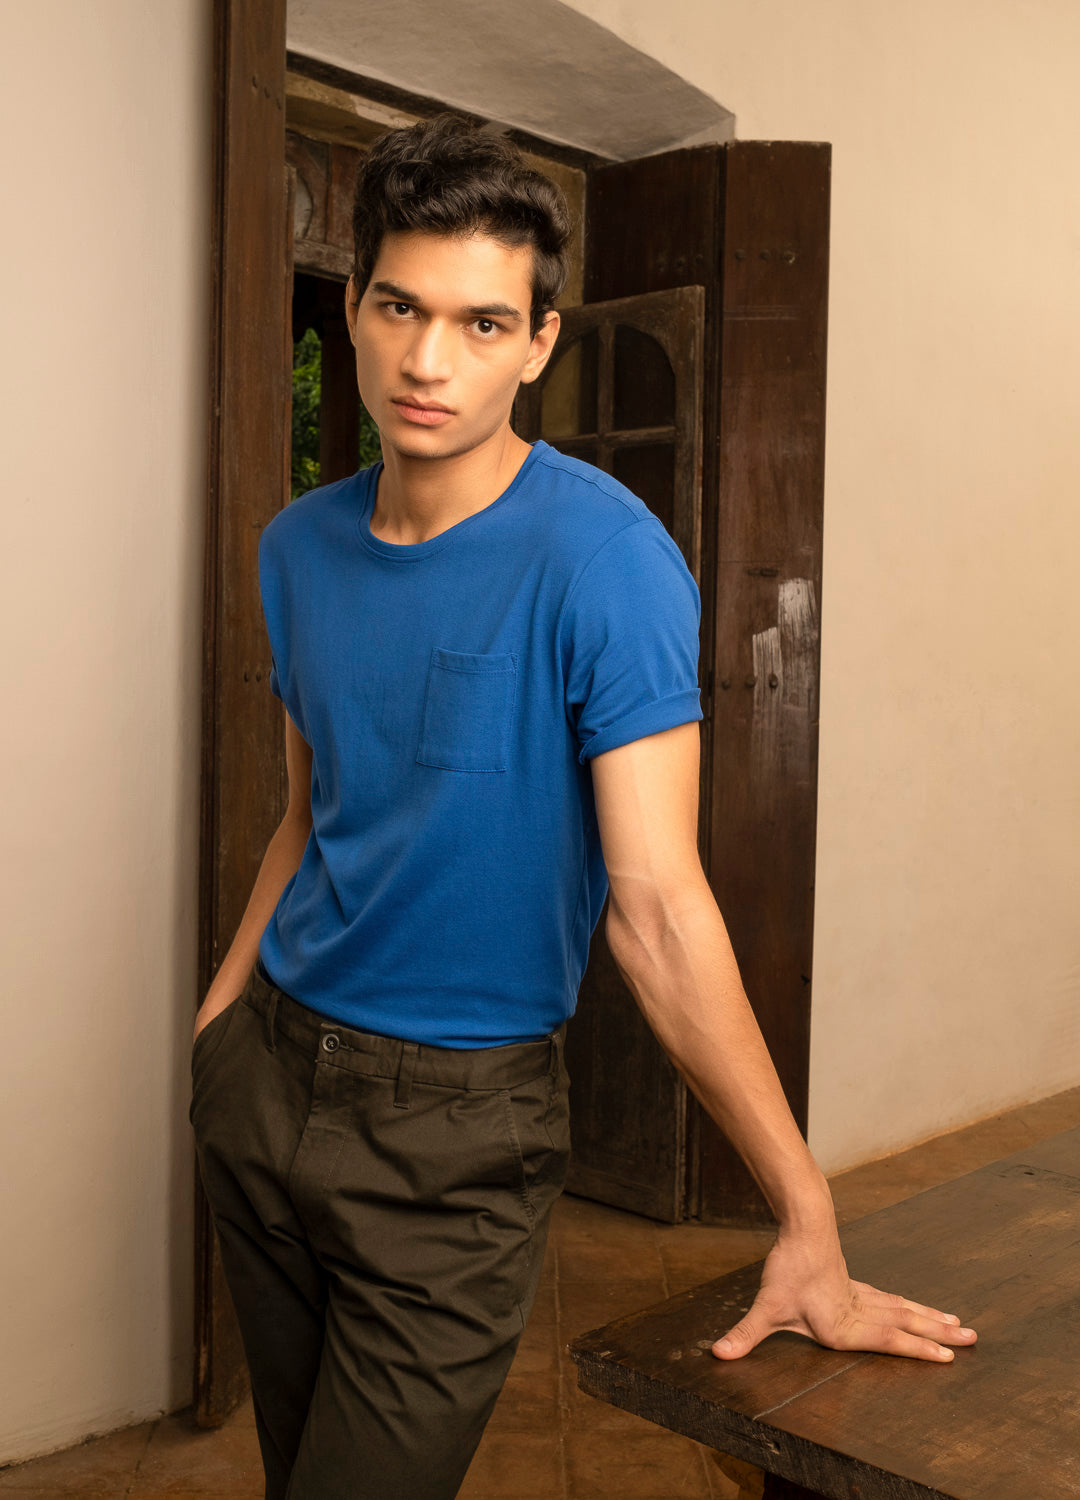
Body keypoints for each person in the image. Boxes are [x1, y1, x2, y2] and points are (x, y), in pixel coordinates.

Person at [189, 113, 977, 1500]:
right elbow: (306, 814)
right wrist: (219, 1027)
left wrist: (805, 1213)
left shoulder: (606, 558)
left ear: (539, 344)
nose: (429, 360)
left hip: (456, 1125)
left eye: (483, 323)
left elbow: (658, 907)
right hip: (266, 1081)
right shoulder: (296, 546)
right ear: (356, 305)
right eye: (401, 307)